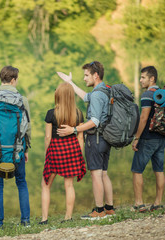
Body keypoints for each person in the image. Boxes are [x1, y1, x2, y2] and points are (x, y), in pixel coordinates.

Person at [57, 61, 115, 220]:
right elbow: (85, 97)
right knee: (104, 174)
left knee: (96, 175)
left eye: (86, 75)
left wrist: (73, 130)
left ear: (95, 75)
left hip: (95, 138)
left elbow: (94, 121)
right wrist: (70, 83)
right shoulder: (105, 90)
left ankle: (99, 210)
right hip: (106, 137)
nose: (84, 78)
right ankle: (109, 208)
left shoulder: (97, 94)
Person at [0, 66, 31, 231]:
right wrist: (26, 150)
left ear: (1, 79)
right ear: (14, 80)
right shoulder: (22, 100)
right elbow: (27, 127)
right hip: (17, 150)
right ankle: (25, 221)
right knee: (21, 183)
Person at [39, 82, 86, 224]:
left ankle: (44, 218)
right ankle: (68, 217)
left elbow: (48, 137)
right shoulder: (78, 114)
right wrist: (80, 155)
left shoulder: (51, 113)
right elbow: (80, 137)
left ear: (58, 95)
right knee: (69, 185)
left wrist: (48, 153)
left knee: (46, 184)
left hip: (56, 150)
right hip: (72, 149)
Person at [131, 66, 165, 212]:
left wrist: (136, 137)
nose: (140, 80)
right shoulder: (163, 94)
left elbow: (144, 118)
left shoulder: (147, 94)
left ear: (152, 78)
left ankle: (139, 203)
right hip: (161, 137)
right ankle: (158, 202)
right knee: (159, 170)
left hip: (147, 137)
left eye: (143, 77)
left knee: (137, 170)